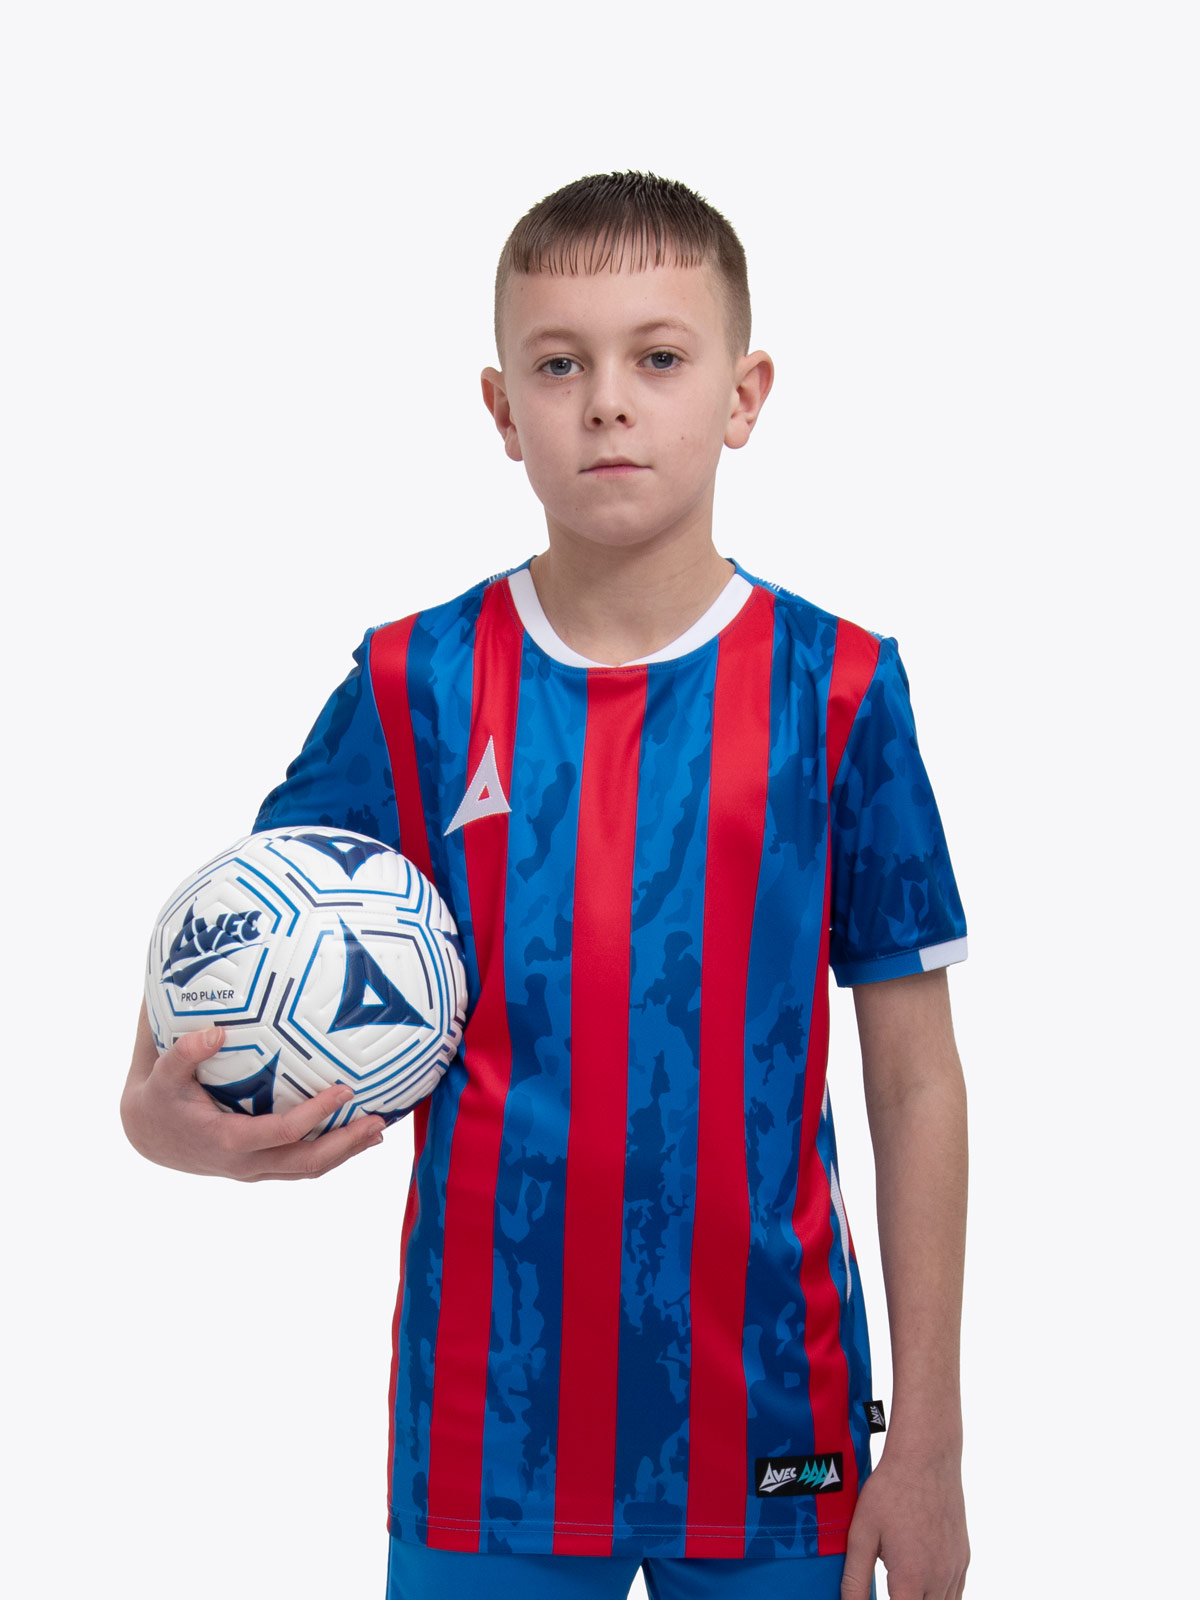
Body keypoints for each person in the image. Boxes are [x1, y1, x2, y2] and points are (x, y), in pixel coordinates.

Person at [122, 171, 970, 1600]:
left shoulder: (839, 690)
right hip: (486, 1446)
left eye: (660, 357)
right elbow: (240, 924)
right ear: (502, 409)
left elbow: (918, 1079)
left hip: (782, 1433)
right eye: (560, 364)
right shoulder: (414, 682)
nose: (608, 404)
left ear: (745, 394)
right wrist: (151, 1106)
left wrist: (928, 1442)